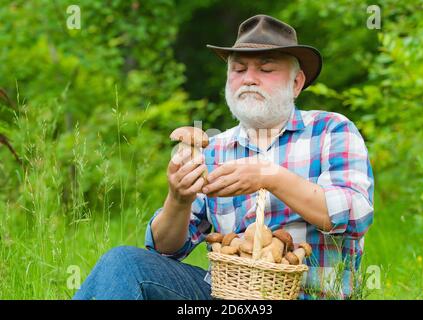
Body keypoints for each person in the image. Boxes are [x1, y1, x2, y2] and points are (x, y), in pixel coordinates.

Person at [74, 14, 374, 300]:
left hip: (307, 294)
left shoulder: (330, 130)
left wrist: (269, 176)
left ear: (296, 83)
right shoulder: (214, 149)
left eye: (265, 69)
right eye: (239, 69)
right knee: (126, 263)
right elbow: (165, 251)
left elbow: (357, 215)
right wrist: (178, 199)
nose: (249, 79)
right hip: (226, 296)